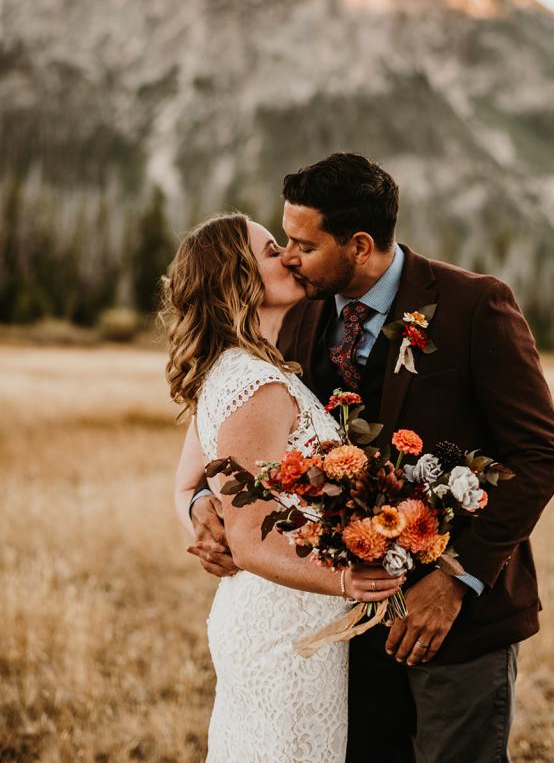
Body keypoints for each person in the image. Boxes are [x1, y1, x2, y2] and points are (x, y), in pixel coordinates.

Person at [187, 153, 554, 763]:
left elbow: (541, 455)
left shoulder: (475, 306)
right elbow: (245, 434)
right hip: (348, 630)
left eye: (302, 243)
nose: (287, 256)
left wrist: (454, 579)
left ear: (359, 245)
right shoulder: (297, 312)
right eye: (282, 241)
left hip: (459, 625)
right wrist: (209, 503)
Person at [166, 212, 404, 763]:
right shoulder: (258, 385)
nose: (291, 256)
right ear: (239, 279)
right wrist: (346, 578)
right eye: (273, 250)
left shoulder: (238, 369)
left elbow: (186, 488)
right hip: (284, 632)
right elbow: (249, 541)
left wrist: (202, 507)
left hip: (285, 621)